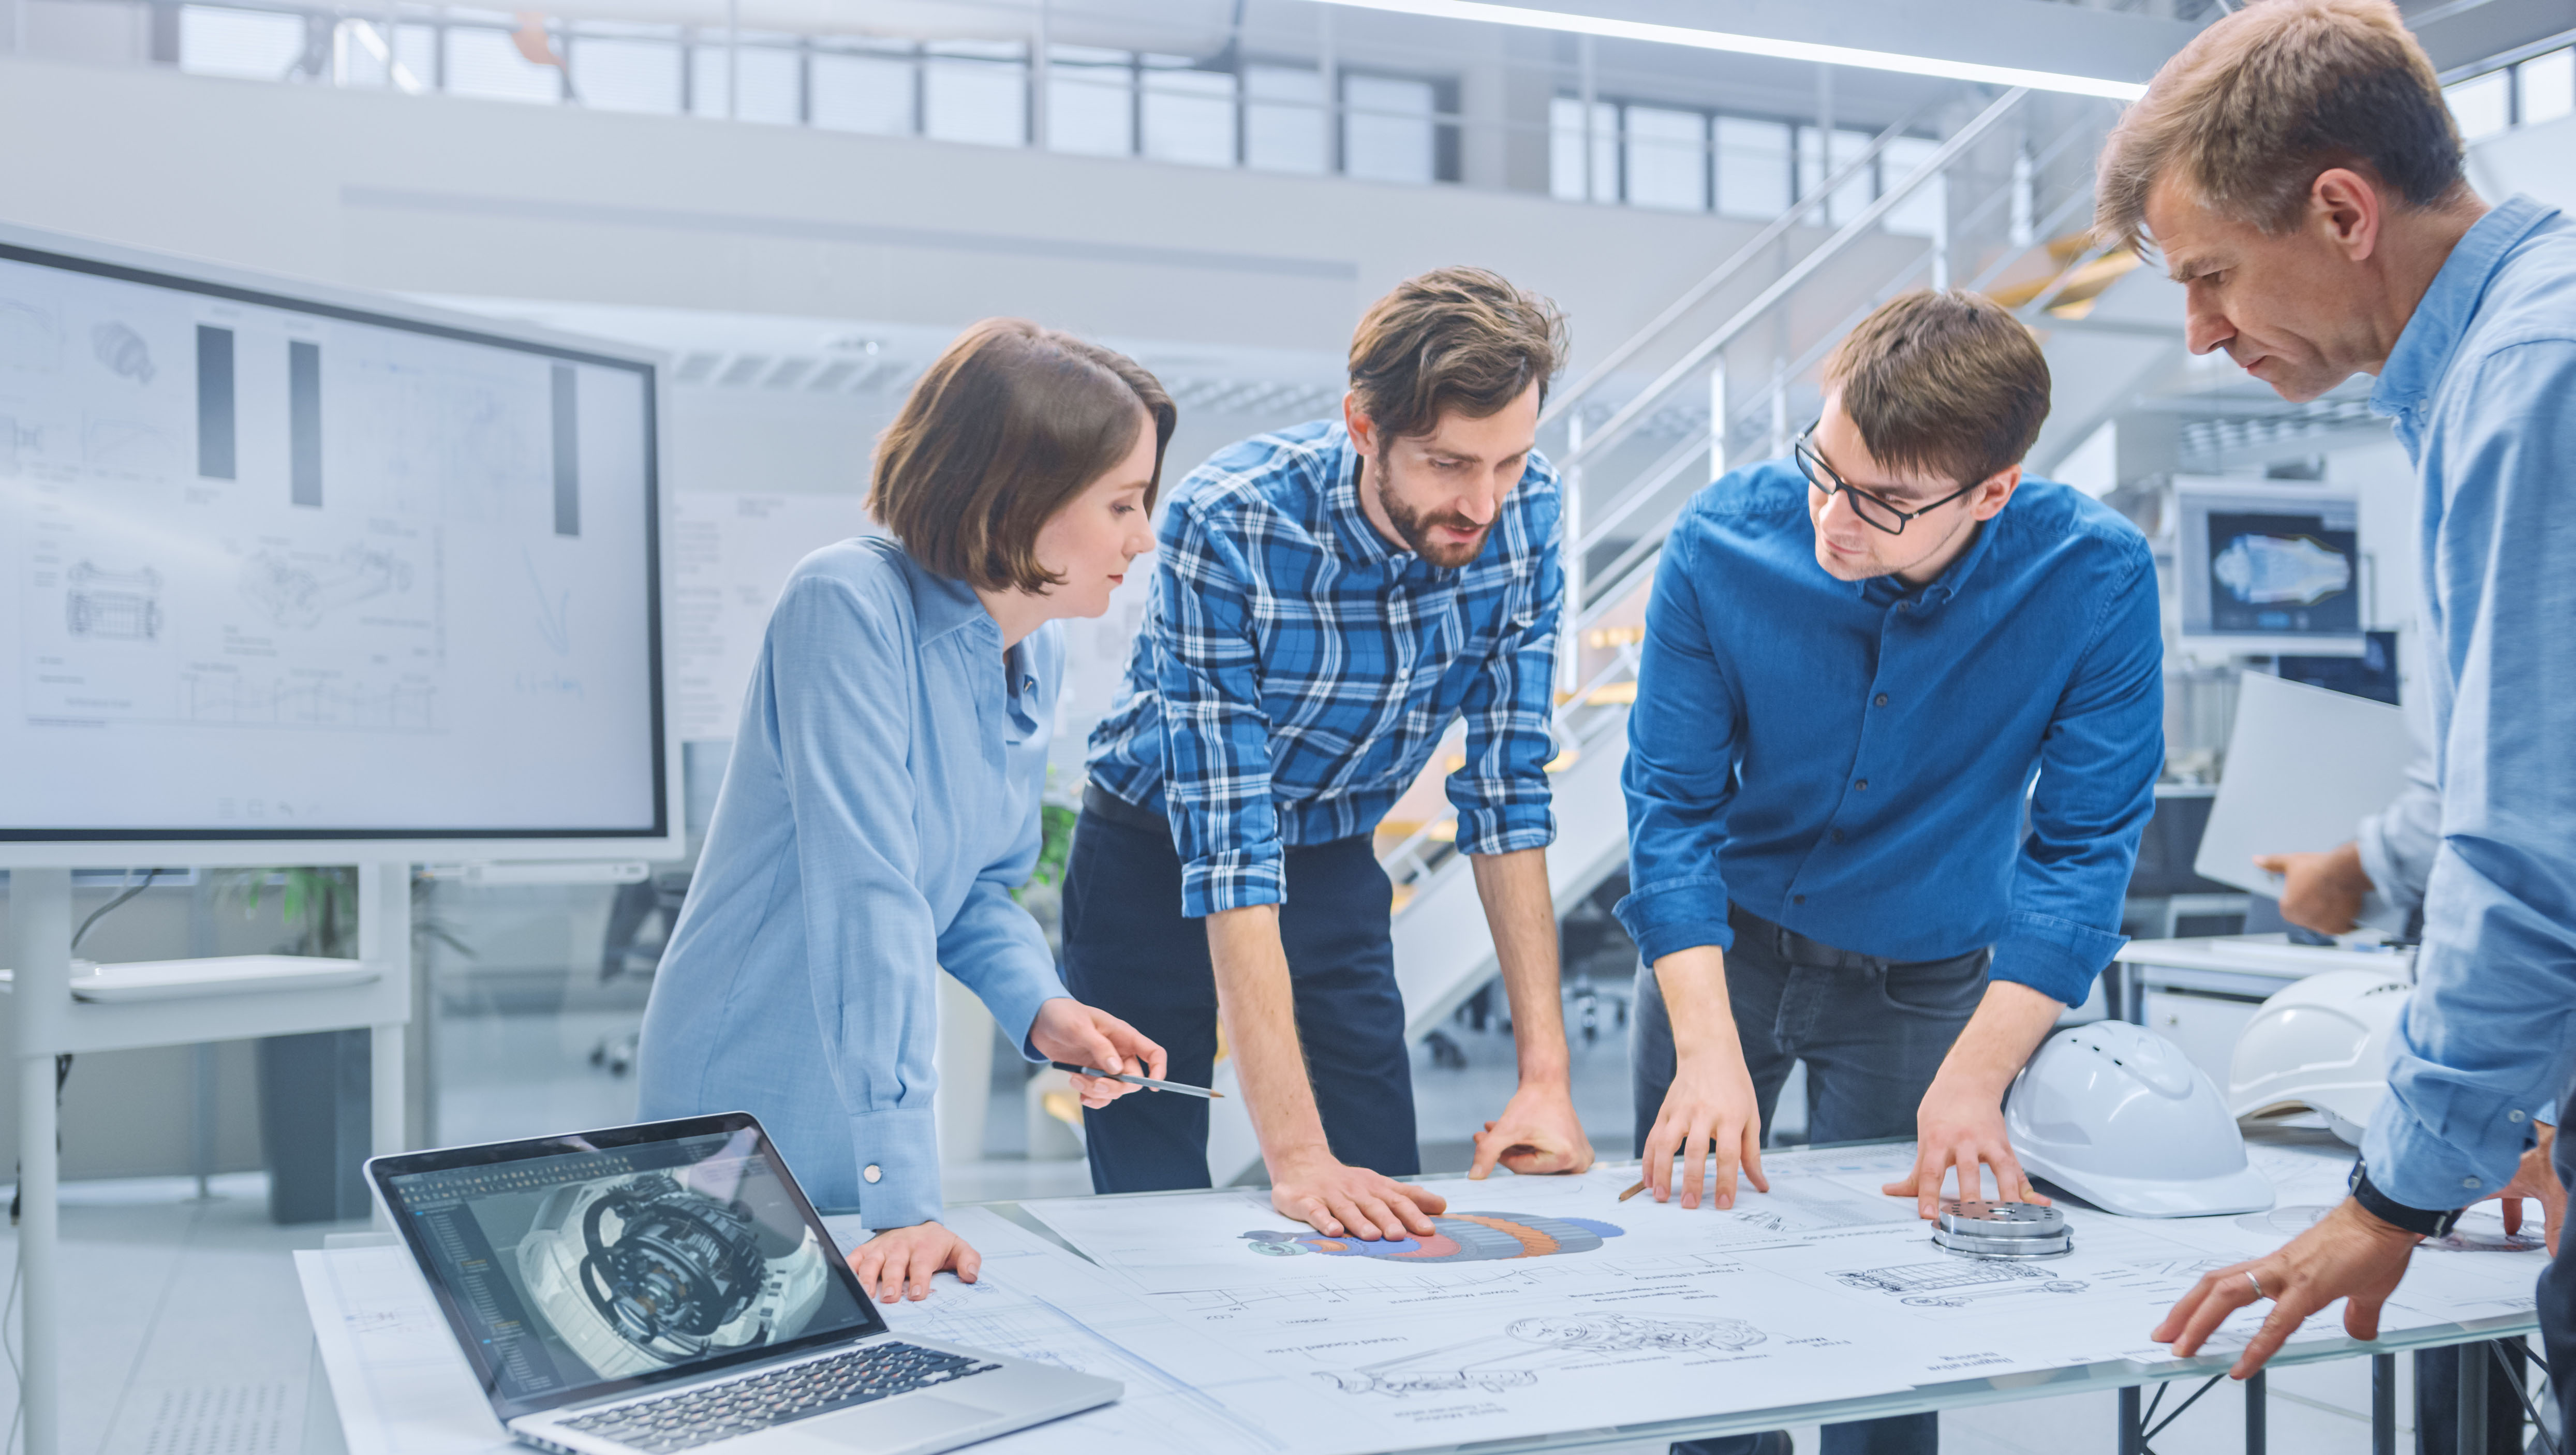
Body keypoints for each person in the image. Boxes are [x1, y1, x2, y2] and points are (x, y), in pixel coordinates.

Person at [2098, 6, 2576, 1434]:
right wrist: (2372, 864)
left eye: (2211, 277)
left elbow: (2537, 850)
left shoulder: (2526, 380)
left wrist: (2395, 1184)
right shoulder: (2515, 339)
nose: (2197, 334)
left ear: (2341, 210)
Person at [1618, 289, 2163, 1455]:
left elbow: (2079, 856)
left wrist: (1976, 1080)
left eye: (1884, 502)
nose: (1834, 518)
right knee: (1701, 1308)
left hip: (1927, 985)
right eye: (1825, 466)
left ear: (1991, 492)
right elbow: (1670, 806)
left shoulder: (2093, 580)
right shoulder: (1722, 539)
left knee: (1895, 1326)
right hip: (1723, 960)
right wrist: (1707, 1051)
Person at [637, 319, 1177, 1303]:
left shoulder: (1031, 648)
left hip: (868, 1073)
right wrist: (904, 1190)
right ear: (1022, 496)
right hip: (749, 1078)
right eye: (1123, 503)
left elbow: (971, 889)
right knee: (726, 1336)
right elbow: (871, 895)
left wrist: (1041, 1008)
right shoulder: (846, 604)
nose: (1143, 536)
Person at [1065, 266, 1593, 1241]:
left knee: (1383, 1174)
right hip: (1153, 850)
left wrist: (1545, 1083)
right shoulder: (1230, 519)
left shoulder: (1527, 512)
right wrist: (1295, 1159)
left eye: (1508, 460)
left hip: (1332, 853)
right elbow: (1229, 841)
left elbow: (1507, 790)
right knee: (1157, 1190)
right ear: (1363, 426)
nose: (1482, 502)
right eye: (1446, 464)